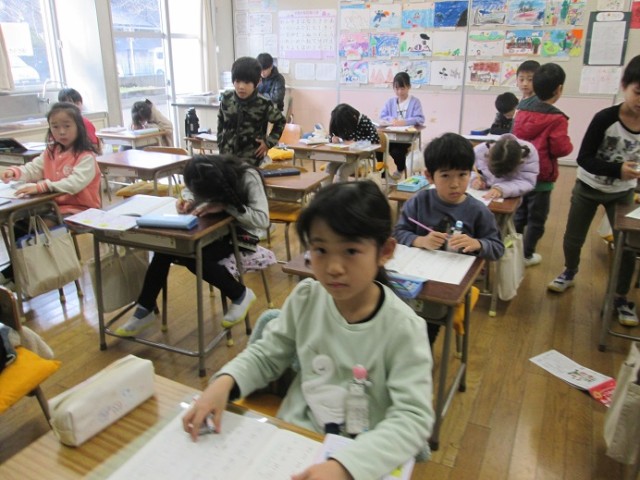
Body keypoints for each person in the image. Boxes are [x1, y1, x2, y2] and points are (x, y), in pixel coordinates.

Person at [183, 181, 434, 480]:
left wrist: (345, 467)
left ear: (385, 251)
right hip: (293, 440)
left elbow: (412, 418)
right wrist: (224, 383)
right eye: (320, 249)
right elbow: (266, 356)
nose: (334, 267)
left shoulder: (404, 329)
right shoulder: (307, 298)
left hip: (363, 455)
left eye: (351, 250)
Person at [115, 154, 269, 337]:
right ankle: (145, 307)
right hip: (210, 229)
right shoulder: (204, 172)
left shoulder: (247, 176)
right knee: (165, 249)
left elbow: (262, 220)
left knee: (191, 255)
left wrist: (225, 206)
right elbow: (188, 190)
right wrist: (188, 200)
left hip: (241, 235)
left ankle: (240, 294)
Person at [547, 55, 640, 327]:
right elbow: (584, 158)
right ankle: (569, 271)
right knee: (573, 238)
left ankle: (620, 297)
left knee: (626, 247)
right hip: (589, 186)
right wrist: (617, 169)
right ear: (624, 86)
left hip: (622, 193)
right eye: (638, 92)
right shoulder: (605, 119)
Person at [394, 133, 504, 344]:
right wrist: (420, 241)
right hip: (414, 277)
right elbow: (398, 233)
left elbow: (497, 248)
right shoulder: (419, 202)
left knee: (424, 326)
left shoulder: (478, 211)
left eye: (462, 175)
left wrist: (477, 243)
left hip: (450, 286)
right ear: (429, 176)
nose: (455, 184)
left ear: (471, 173)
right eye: (445, 176)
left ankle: (419, 356)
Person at [0, 102, 101, 286]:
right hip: (53, 207)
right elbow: (33, 169)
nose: (61, 132)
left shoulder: (85, 156)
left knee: (38, 226)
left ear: (78, 127)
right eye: (55, 127)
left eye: (67, 126)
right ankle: (21, 272)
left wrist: (42, 187)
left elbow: (73, 184)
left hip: (80, 210)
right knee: (18, 223)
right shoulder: (51, 152)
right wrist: (15, 172)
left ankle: (32, 273)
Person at [512, 63, 573, 267]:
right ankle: (526, 255)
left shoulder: (521, 110)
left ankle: (512, 250)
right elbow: (560, 148)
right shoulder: (557, 118)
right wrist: (569, 145)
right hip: (541, 176)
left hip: (520, 173)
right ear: (559, 89)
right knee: (536, 220)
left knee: (519, 215)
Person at [217, 56, 286, 167]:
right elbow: (221, 121)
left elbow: (280, 121)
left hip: (251, 159)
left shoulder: (263, 103)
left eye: (247, 82)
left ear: (258, 82)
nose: (241, 87)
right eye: (237, 81)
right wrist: (220, 143)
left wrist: (268, 143)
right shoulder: (226, 98)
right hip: (227, 157)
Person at [379, 72, 425, 178]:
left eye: (402, 88)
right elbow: (383, 116)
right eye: (397, 88)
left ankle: (400, 169)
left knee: (396, 152)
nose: (399, 92)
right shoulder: (390, 102)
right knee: (379, 148)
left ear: (409, 87)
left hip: (405, 138)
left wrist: (405, 122)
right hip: (390, 137)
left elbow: (420, 119)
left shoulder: (415, 102)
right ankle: (384, 175)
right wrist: (392, 119)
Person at [470, 133, 539, 200]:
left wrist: (501, 189)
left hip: (509, 196)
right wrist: (474, 179)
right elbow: (468, 170)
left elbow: (527, 182)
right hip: (482, 193)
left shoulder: (529, 153)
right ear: (487, 155)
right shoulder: (480, 150)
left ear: (519, 162)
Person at [326, 103, 380, 184]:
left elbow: (375, 139)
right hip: (345, 154)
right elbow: (333, 134)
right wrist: (332, 138)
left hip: (361, 157)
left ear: (353, 117)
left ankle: (341, 192)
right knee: (329, 167)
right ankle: (325, 191)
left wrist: (356, 141)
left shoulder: (364, 121)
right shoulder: (341, 120)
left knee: (342, 171)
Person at [57, 87, 101, 153]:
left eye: (77, 103)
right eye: (70, 104)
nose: (75, 107)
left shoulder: (85, 123)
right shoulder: (58, 124)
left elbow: (94, 146)